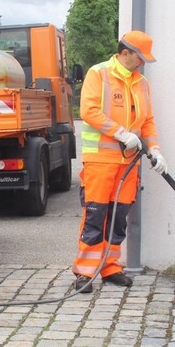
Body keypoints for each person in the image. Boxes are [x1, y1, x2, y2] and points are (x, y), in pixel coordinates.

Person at [71, 30, 168, 293]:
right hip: (101, 161)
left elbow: (147, 122)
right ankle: (85, 272)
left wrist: (156, 150)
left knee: (118, 216)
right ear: (125, 54)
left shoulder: (142, 84)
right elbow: (88, 110)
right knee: (95, 215)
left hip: (128, 163)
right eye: (140, 57)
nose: (143, 63)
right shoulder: (99, 74)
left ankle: (110, 267)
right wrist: (121, 133)